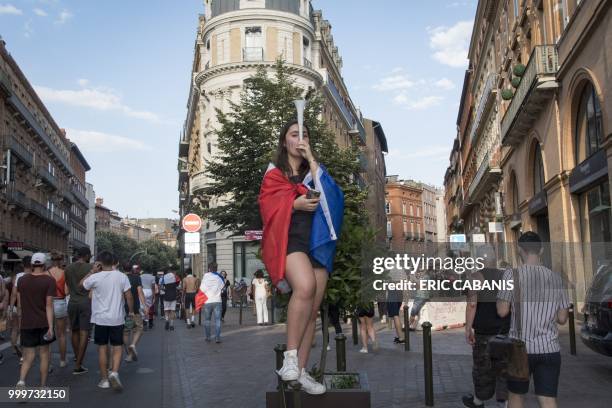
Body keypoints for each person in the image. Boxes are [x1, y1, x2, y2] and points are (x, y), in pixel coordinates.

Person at [258, 119, 344, 395]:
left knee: (312, 309)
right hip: (289, 240)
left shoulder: (314, 171)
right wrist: (293, 204)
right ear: (285, 141)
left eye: (304, 135)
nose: (300, 139)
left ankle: (302, 371)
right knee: (305, 286)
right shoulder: (274, 174)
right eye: (294, 134)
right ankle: (290, 360)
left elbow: (334, 197)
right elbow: (267, 207)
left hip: (316, 242)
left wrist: (313, 160)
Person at [497, 232, 570, 408]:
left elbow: (502, 311)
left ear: (519, 250)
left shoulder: (511, 276)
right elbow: (562, 318)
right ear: (542, 250)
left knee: (516, 396)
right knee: (547, 399)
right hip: (549, 348)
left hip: (520, 350)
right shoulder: (557, 278)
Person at [462, 245, 510, 408]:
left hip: (483, 332)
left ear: (479, 260)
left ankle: (478, 400)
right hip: (504, 331)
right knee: (503, 367)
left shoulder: (476, 277)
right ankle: (504, 402)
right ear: (494, 259)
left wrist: (468, 328)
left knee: (482, 367)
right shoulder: (505, 276)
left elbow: (472, 305)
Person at [81, 251, 134, 391]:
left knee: (102, 349)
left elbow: (81, 285)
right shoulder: (122, 277)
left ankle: (104, 380)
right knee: (117, 347)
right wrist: (131, 312)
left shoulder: (95, 277)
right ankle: (115, 372)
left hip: (100, 319)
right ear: (113, 262)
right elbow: (129, 296)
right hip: (117, 318)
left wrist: (92, 271)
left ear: (100, 263)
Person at [15, 252, 56, 388]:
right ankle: (43, 386)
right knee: (44, 354)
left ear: (32, 264)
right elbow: (49, 305)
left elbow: (20, 303)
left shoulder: (22, 280)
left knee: (28, 356)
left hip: (27, 322)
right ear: (44, 265)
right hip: (43, 322)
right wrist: (51, 326)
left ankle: (21, 381)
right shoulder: (49, 281)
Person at [65, 246, 93, 375]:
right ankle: (78, 364)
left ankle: (78, 356)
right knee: (84, 333)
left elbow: (67, 286)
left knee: (74, 331)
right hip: (85, 303)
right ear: (86, 255)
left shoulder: (68, 268)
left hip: (72, 302)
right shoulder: (90, 268)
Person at [9, 257, 32, 362]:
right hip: (32, 307)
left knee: (20, 328)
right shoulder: (34, 275)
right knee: (29, 330)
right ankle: (24, 353)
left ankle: (20, 352)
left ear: (23, 265)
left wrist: (10, 309)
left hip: (20, 307)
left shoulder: (18, 276)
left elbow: (14, 294)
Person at [48, 251, 69, 368]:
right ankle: (62, 360)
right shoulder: (64, 273)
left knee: (49, 334)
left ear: (51, 261)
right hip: (60, 302)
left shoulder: (46, 273)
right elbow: (66, 292)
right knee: (61, 334)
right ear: (60, 261)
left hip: (49, 304)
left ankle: (49, 363)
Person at [123, 264, 146, 363]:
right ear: (132, 269)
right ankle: (133, 345)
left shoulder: (121, 278)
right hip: (135, 309)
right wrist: (145, 305)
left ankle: (129, 354)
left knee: (126, 332)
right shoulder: (137, 278)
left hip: (123, 309)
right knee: (139, 329)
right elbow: (140, 292)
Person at [199, 267, 225, 343]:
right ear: (216, 269)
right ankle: (217, 338)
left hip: (207, 301)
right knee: (218, 320)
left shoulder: (205, 277)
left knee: (207, 320)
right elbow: (222, 288)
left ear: (209, 269)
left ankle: (208, 337)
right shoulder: (219, 277)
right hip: (217, 301)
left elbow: (202, 289)